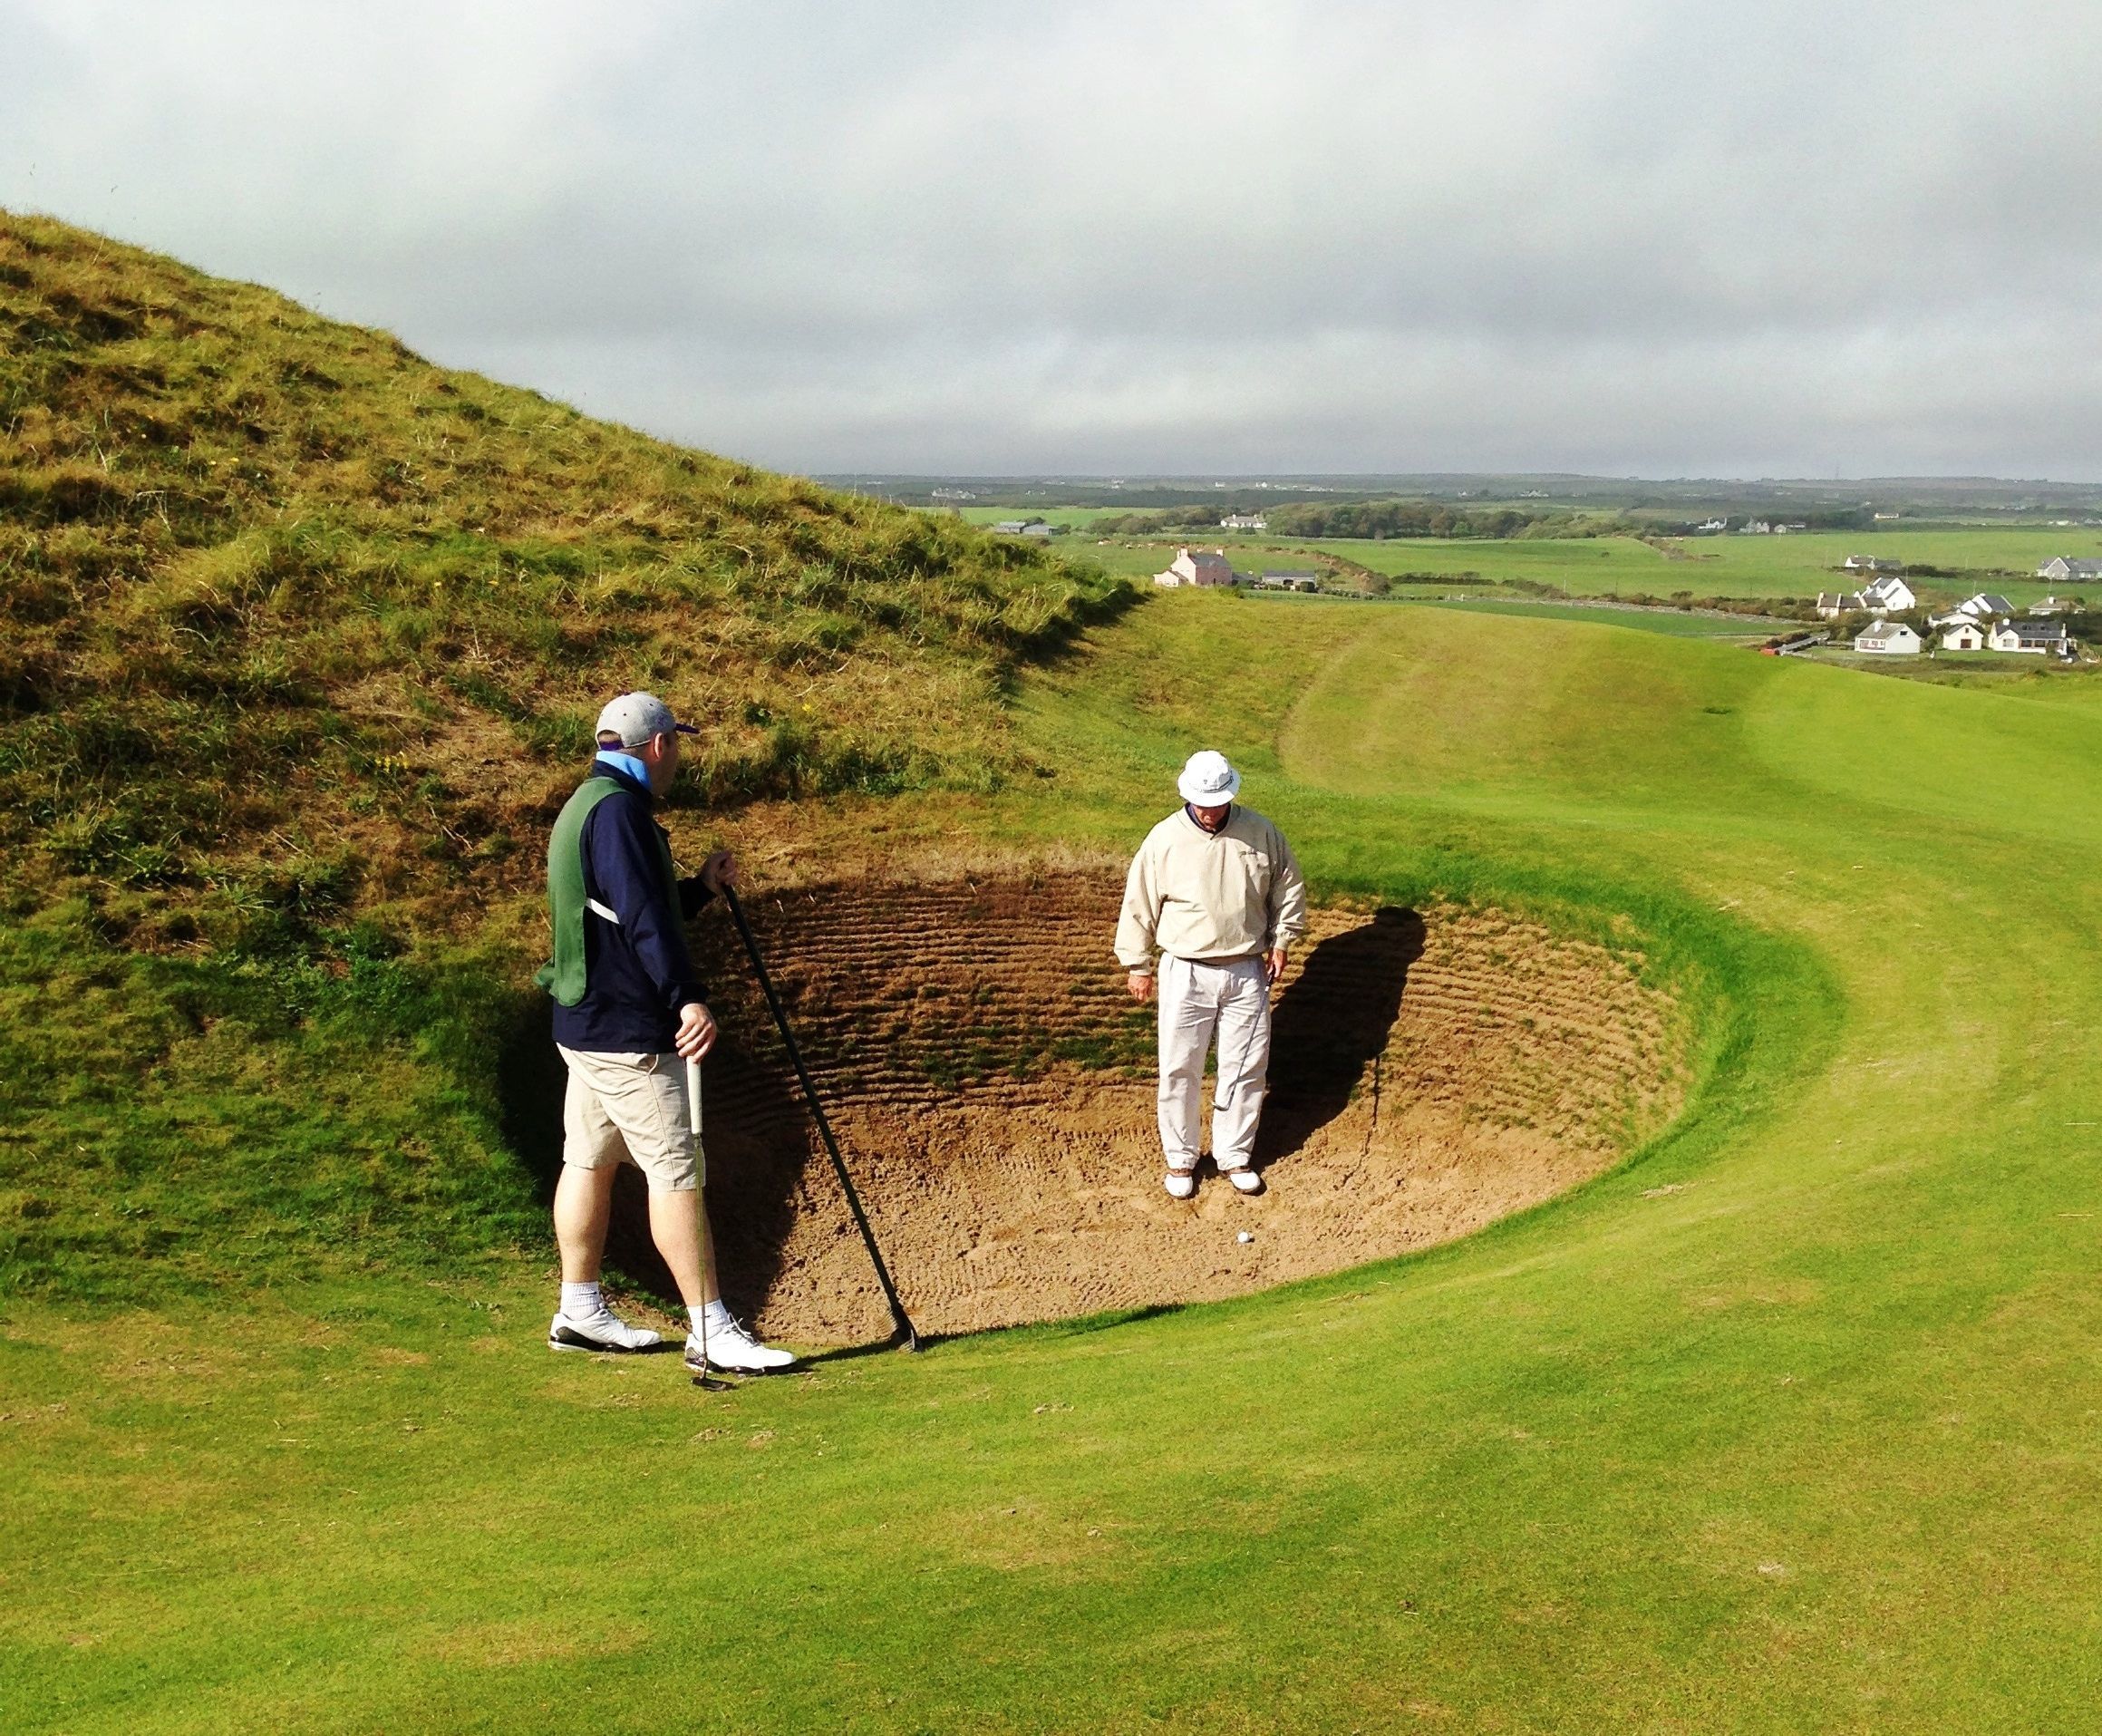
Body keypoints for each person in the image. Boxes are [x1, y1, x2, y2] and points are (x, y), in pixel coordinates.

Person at [536, 691, 796, 1374]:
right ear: (657, 746)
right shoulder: (621, 813)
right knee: (675, 1170)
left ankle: (579, 1307)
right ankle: (710, 1329)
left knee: (588, 1159)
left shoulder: (587, 802)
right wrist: (686, 999)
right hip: (629, 1033)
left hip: (584, 1023)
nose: (678, 757)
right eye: (676, 744)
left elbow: (626, 906)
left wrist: (699, 889)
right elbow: (644, 921)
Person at [1115, 750, 1308, 1199]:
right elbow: (1139, 903)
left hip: (1246, 968)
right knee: (1179, 1067)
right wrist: (1138, 965)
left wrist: (1281, 941)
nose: (1210, 810)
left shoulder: (1262, 831)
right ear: (1188, 795)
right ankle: (1181, 1159)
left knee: (1246, 1066)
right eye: (1203, 802)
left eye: (1218, 801)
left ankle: (1234, 1154)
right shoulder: (1164, 838)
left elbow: (1288, 887)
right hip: (1185, 970)